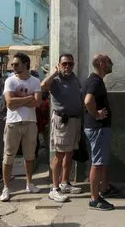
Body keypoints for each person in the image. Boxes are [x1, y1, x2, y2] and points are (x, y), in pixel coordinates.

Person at [41, 53, 84, 203]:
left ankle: (64, 182)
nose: (67, 67)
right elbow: (43, 86)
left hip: (74, 120)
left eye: (70, 64)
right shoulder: (56, 80)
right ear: (59, 65)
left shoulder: (74, 78)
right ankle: (54, 189)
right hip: (62, 121)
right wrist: (53, 73)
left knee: (69, 153)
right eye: (64, 64)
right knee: (59, 155)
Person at [0, 53, 43, 202]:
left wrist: (18, 100)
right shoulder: (10, 81)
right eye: (13, 64)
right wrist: (28, 98)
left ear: (25, 64)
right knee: (8, 155)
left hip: (30, 122)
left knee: (30, 156)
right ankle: (6, 187)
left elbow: (38, 103)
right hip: (13, 123)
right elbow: (9, 104)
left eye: (16, 64)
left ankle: (29, 183)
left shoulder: (35, 81)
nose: (13, 66)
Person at [83, 54, 119, 211]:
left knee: (98, 163)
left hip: (97, 128)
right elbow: (88, 100)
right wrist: (96, 115)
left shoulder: (94, 80)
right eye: (110, 62)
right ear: (102, 63)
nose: (112, 65)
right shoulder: (95, 81)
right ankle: (94, 198)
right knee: (97, 164)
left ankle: (100, 192)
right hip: (97, 128)